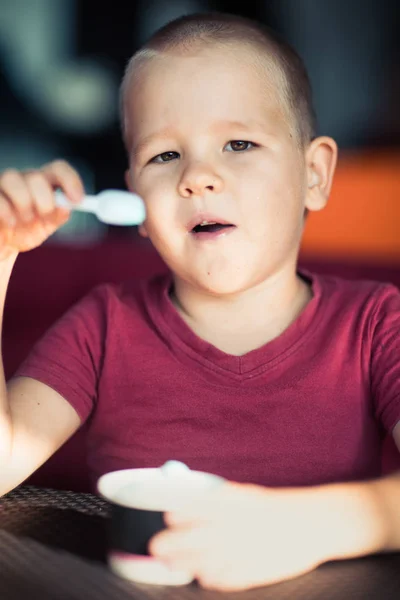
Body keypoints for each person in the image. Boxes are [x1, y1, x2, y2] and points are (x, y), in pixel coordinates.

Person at [0, 11, 399, 592]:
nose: (198, 177)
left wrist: (311, 527)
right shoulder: (103, 327)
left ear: (314, 174)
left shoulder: (375, 325)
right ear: (135, 197)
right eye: (165, 156)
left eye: (239, 143)